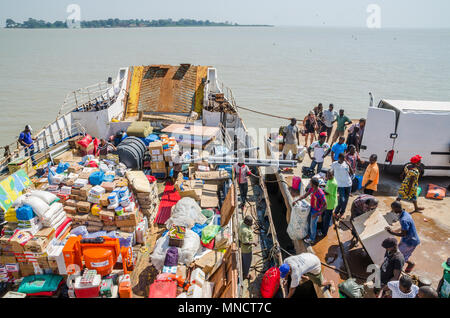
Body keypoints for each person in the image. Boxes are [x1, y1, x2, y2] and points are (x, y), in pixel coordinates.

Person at [385, 201, 420, 273]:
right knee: (402, 255)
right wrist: (394, 231)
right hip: (412, 239)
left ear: (397, 208)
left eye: (393, 209)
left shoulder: (404, 219)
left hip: (409, 241)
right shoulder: (405, 213)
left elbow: (404, 234)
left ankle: (402, 269)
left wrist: (391, 232)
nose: (392, 211)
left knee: (399, 255)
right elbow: (404, 229)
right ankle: (408, 268)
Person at [294, 177, 326, 244]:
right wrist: (296, 200)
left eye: (310, 182)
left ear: (314, 184)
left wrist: (318, 213)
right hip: (311, 208)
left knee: (313, 225)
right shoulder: (312, 189)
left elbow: (325, 205)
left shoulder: (320, 193)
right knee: (308, 222)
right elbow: (305, 195)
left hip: (315, 211)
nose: (309, 183)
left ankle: (312, 239)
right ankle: (309, 234)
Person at [331, 153, 354, 220]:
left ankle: (341, 213)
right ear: (339, 158)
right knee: (342, 199)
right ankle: (336, 212)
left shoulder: (346, 164)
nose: (343, 160)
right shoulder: (334, 164)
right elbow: (331, 173)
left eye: (344, 158)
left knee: (345, 200)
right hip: (340, 185)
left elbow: (352, 173)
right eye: (342, 158)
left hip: (348, 184)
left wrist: (349, 165)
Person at [239, 215, 257, 280]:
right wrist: (253, 242)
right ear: (246, 222)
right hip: (246, 250)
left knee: (244, 261)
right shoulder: (245, 231)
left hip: (243, 248)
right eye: (250, 223)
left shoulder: (241, 222)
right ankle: (246, 275)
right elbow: (245, 242)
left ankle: (244, 271)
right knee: (247, 262)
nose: (252, 224)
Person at [322, 169, 338, 237]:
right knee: (326, 216)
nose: (328, 176)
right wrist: (324, 186)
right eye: (327, 175)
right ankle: (329, 224)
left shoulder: (333, 183)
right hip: (328, 201)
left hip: (330, 203)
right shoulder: (330, 180)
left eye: (330, 175)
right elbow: (327, 188)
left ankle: (324, 233)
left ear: (333, 175)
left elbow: (327, 193)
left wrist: (320, 190)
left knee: (326, 219)